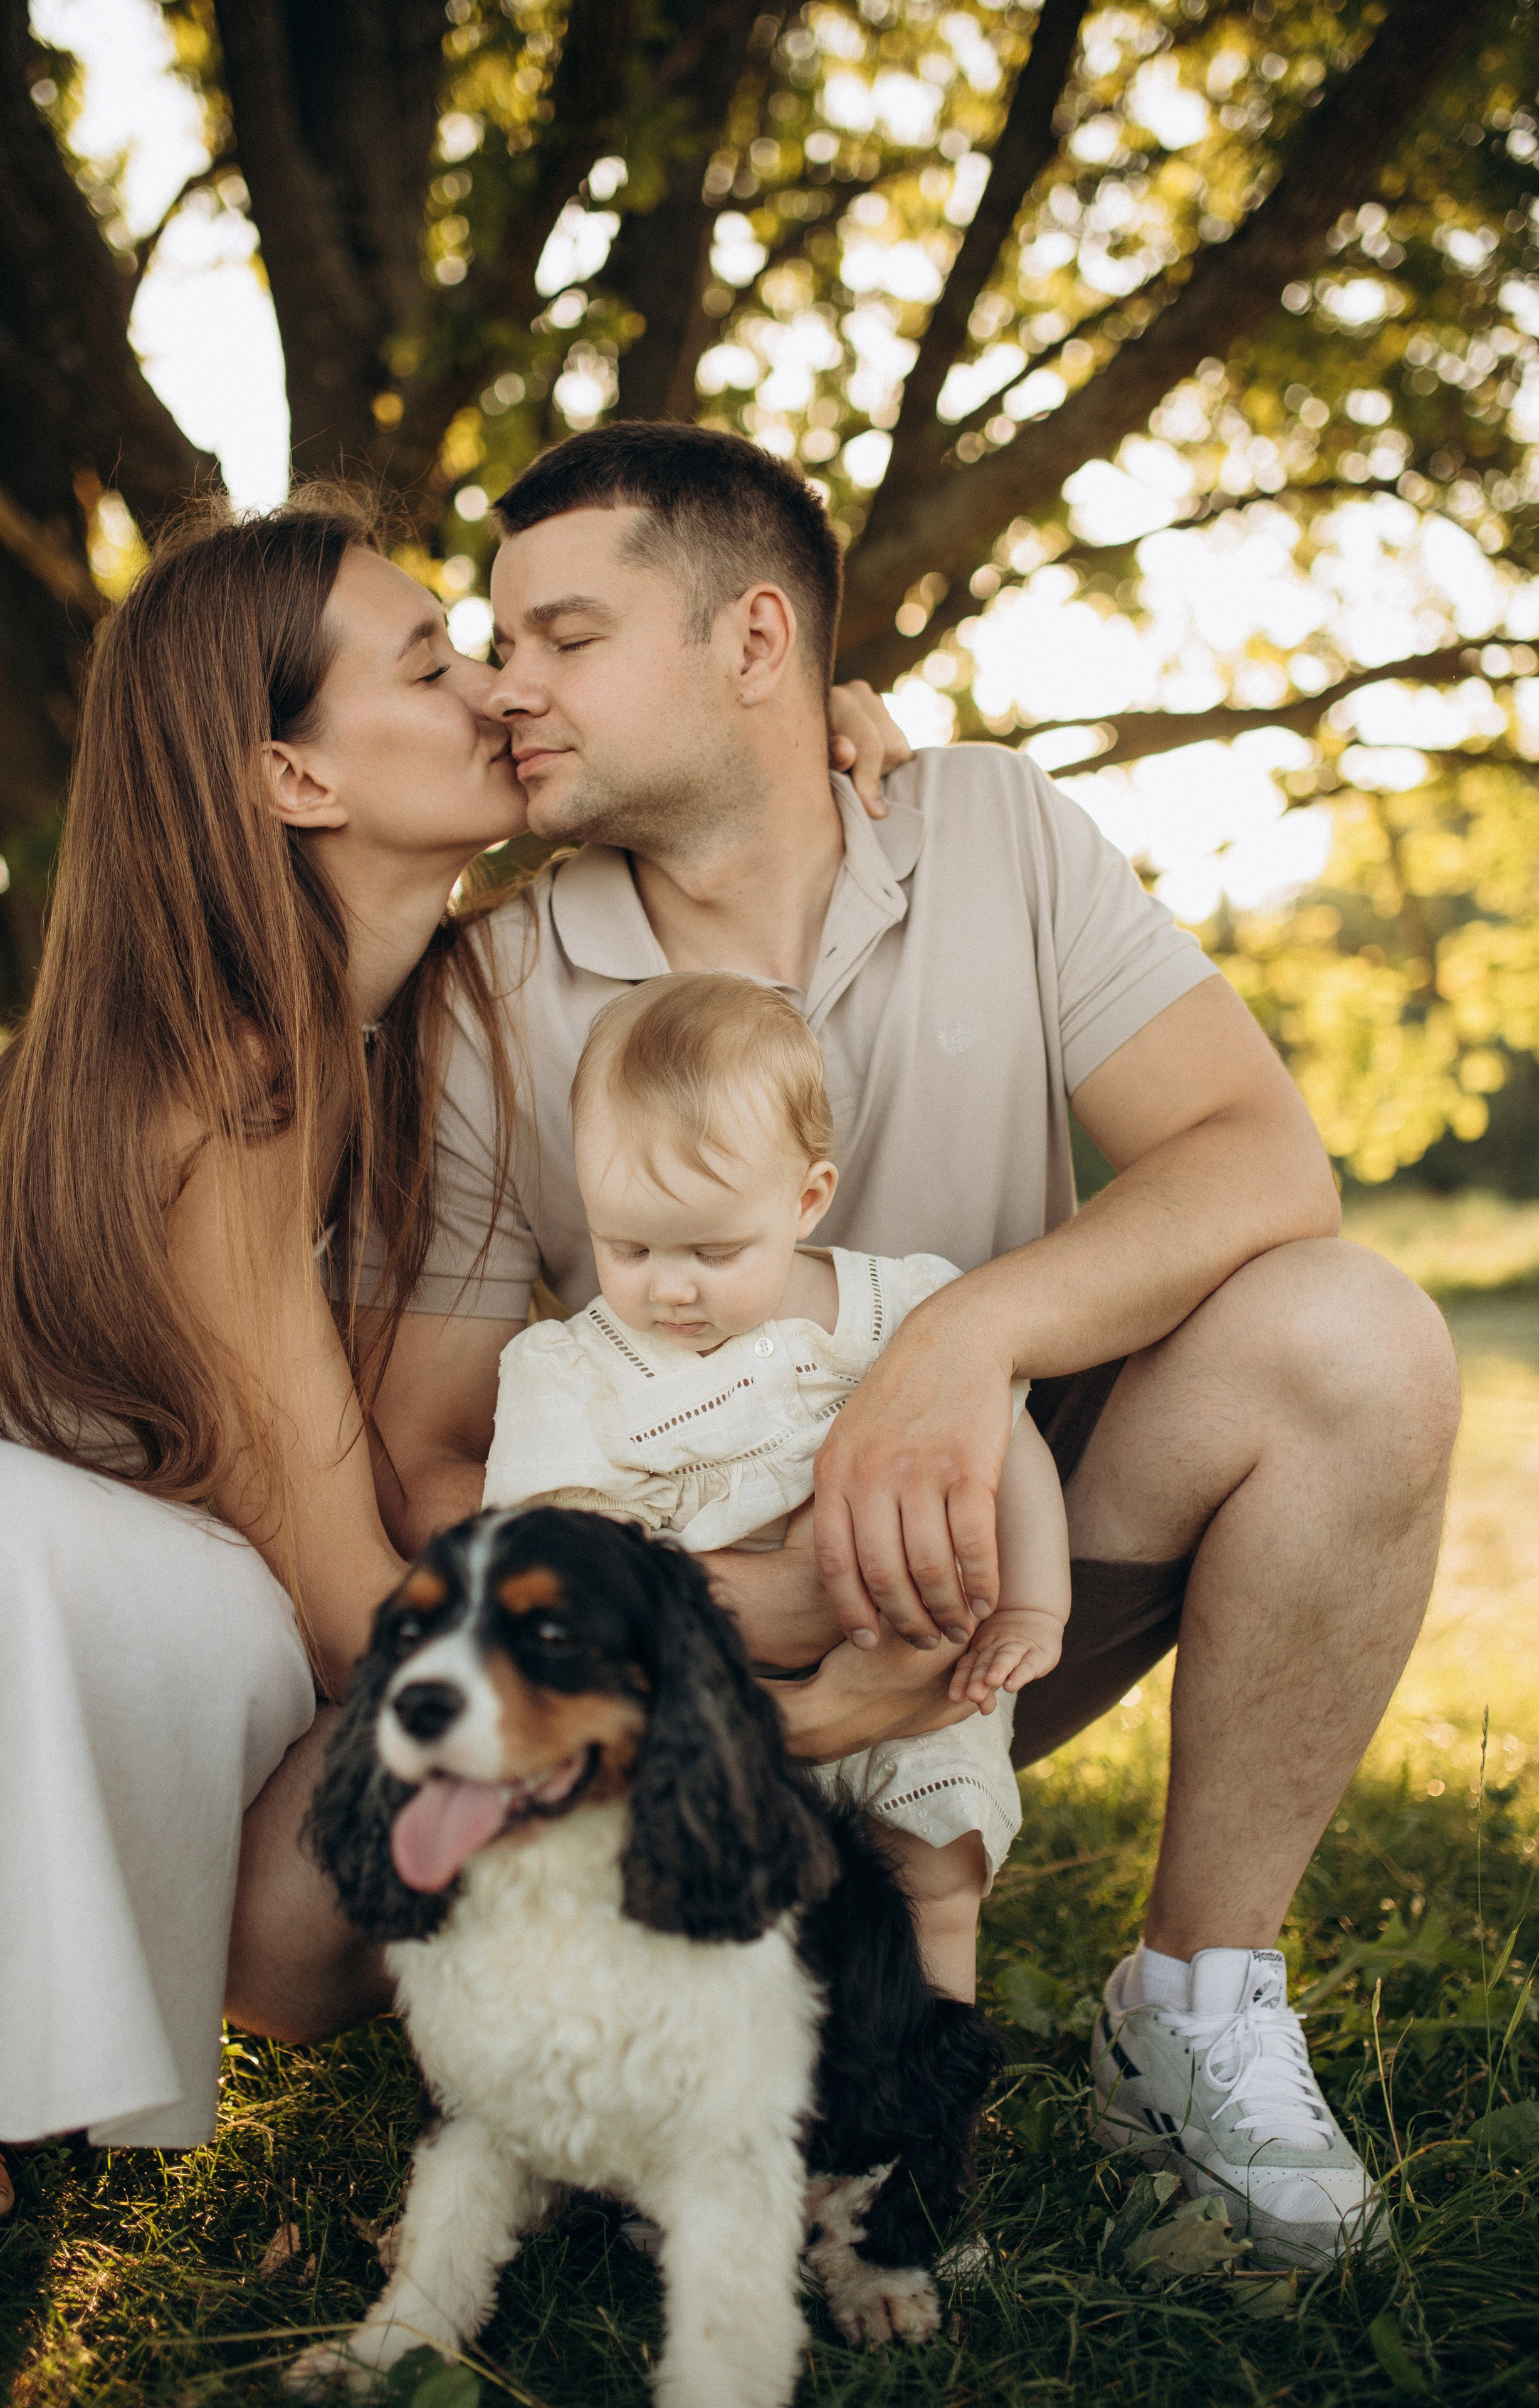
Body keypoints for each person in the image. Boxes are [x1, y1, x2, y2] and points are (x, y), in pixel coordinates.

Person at [370, 423, 1461, 2264]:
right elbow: (426, 1461)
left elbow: (1258, 1156)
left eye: (563, 637)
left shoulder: (996, 828)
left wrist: (963, 1340)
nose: (505, 688)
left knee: (1353, 1332)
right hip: (688, 1690)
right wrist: (743, 1616)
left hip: (989, 1594)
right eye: (497, 644)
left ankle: (1191, 2010)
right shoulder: (485, 996)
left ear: (758, 643)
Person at [0, 475, 921, 2227]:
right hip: (24, 1620)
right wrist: (727, 1619)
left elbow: (677, 783)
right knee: (294, 1771)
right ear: (297, 778)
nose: (500, 692)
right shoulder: (222, 1078)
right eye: (431, 664)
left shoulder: (413, 1018)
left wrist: (812, 730)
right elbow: (335, 1602)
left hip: (129, 1649)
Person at [480, 970, 1072, 2000]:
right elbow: (548, 1563)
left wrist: (1032, 1602)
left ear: (806, 1199)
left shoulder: (905, 1315)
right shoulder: (574, 1377)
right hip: (706, 1707)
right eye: (627, 1246)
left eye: (714, 1249)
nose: (668, 1285)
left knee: (933, 1875)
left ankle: (925, 2083)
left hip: (921, 1688)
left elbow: (1008, 1447)